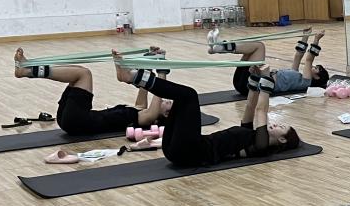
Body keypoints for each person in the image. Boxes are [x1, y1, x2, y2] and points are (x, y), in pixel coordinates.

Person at [111, 54, 300, 168]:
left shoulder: (261, 146)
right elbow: (251, 106)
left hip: (189, 152)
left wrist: (267, 81)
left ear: (282, 139)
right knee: (182, 99)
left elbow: (261, 110)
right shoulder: (251, 134)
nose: (277, 124)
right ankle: (134, 77)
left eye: (281, 127)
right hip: (176, 149)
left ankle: (133, 77)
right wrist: (255, 79)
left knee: (189, 96)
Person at [13, 47, 168, 136]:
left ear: (166, 114)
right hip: (71, 120)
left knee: (84, 74)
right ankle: (28, 68)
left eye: (168, 103)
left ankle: (27, 71)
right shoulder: (139, 110)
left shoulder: (147, 118)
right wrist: (148, 63)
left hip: (79, 121)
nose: (167, 100)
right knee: (77, 74)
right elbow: (147, 87)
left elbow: (159, 92)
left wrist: (162, 72)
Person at [209, 28, 330, 96]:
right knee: (251, 51)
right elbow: (298, 55)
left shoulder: (306, 81)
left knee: (259, 46)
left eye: (316, 68)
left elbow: (309, 59)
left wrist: (316, 39)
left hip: (251, 86)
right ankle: (217, 48)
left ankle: (222, 47)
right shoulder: (296, 75)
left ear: (317, 77)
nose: (313, 66)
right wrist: (306, 36)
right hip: (244, 83)